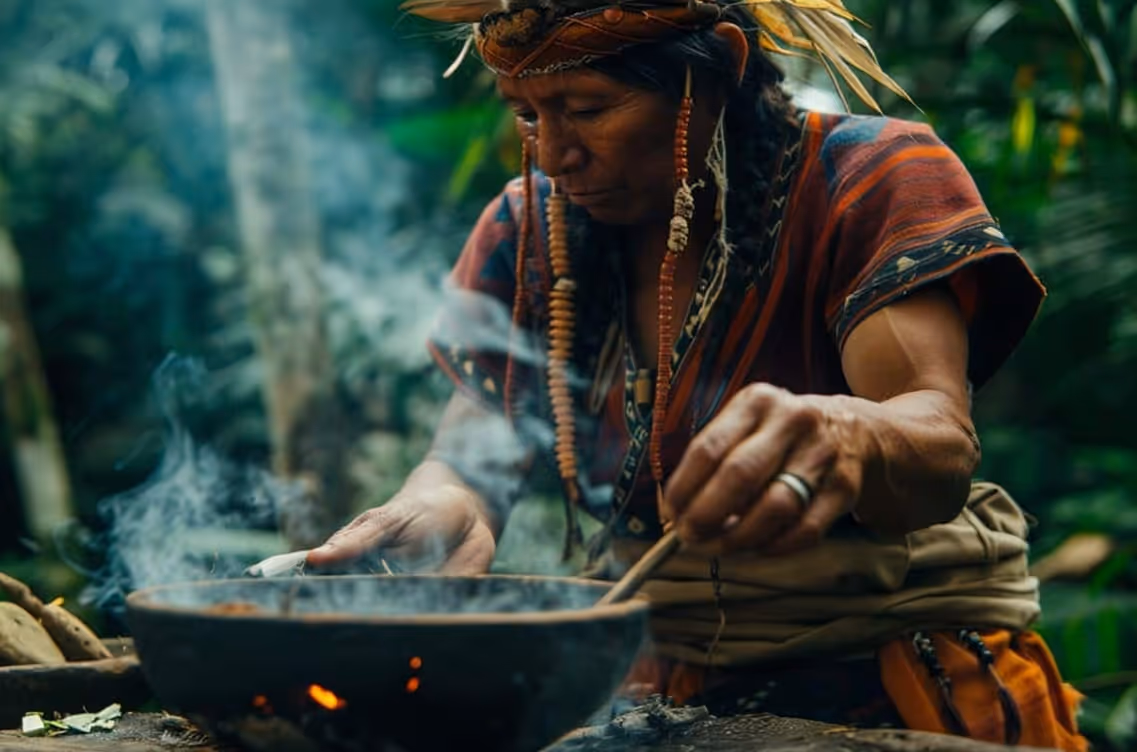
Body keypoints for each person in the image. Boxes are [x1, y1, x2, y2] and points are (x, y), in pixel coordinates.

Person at [307, 0, 1087, 748]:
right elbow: (466, 459)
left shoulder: (866, 177)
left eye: (584, 106)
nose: (553, 153)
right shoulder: (529, 227)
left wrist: (844, 431)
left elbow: (938, 445)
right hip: (644, 696)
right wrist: (443, 501)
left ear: (720, 68)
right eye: (525, 112)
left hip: (893, 686)